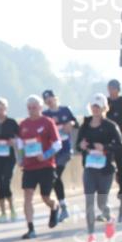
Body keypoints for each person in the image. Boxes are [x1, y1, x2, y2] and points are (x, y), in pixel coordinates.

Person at [78, 94, 122, 242]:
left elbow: (121, 145)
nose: (95, 109)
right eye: (93, 106)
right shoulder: (85, 125)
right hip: (90, 168)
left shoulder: (110, 126)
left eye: (98, 106)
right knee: (89, 202)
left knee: (101, 203)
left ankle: (109, 217)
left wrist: (104, 148)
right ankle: (91, 237)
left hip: (105, 170)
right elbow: (77, 145)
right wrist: (82, 146)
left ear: (104, 108)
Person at [17, 95, 62, 239]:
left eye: (34, 107)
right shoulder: (23, 124)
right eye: (29, 108)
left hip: (46, 165)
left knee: (45, 197)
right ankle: (31, 229)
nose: (31, 110)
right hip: (29, 167)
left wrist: (46, 154)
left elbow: (57, 144)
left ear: (40, 107)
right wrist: (20, 158)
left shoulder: (47, 122)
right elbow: (20, 144)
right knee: (27, 196)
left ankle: (54, 207)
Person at [41, 90, 78, 222]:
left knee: (55, 174)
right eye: (46, 99)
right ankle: (63, 206)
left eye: (50, 98)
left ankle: (63, 207)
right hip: (52, 152)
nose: (49, 101)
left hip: (65, 150)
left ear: (55, 98)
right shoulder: (44, 115)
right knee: (55, 177)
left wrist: (71, 124)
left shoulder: (65, 110)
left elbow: (76, 123)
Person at [104, 80, 122, 222]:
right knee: (110, 172)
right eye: (109, 88)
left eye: (113, 88)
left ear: (118, 89)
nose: (111, 90)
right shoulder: (106, 102)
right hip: (108, 142)